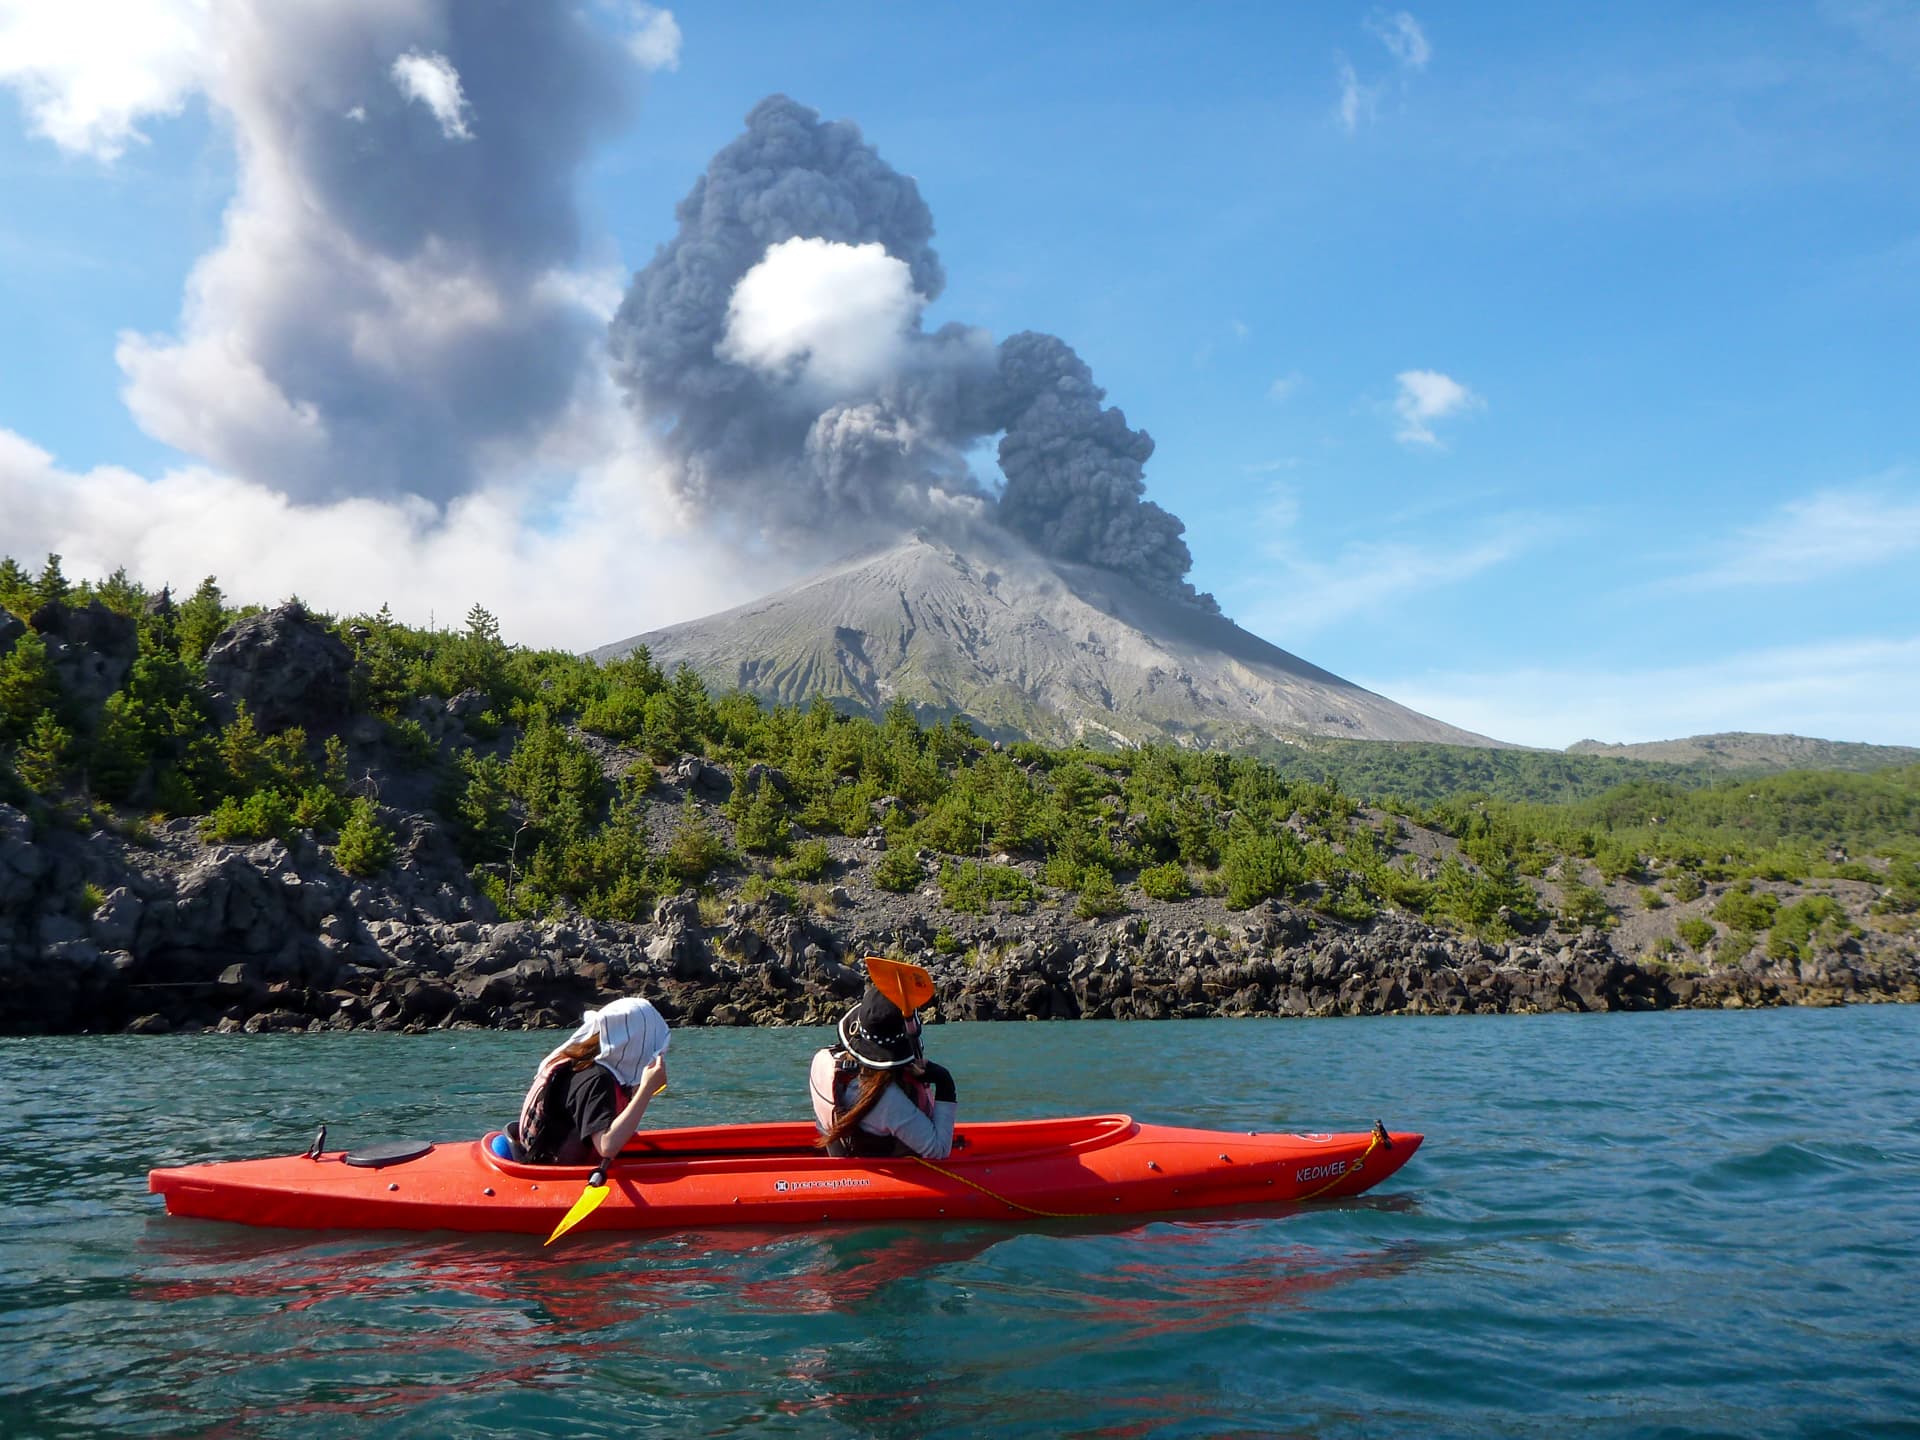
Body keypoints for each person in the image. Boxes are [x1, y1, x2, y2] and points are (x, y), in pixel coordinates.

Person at [500, 996, 670, 1165]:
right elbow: (607, 1146)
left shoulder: (581, 1060)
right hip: (552, 1169)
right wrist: (646, 1089)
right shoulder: (596, 1079)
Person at [811, 979, 958, 1159]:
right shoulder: (889, 1101)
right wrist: (944, 1081)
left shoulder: (822, 1059)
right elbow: (939, 1150)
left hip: (840, 1151)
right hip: (880, 1167)